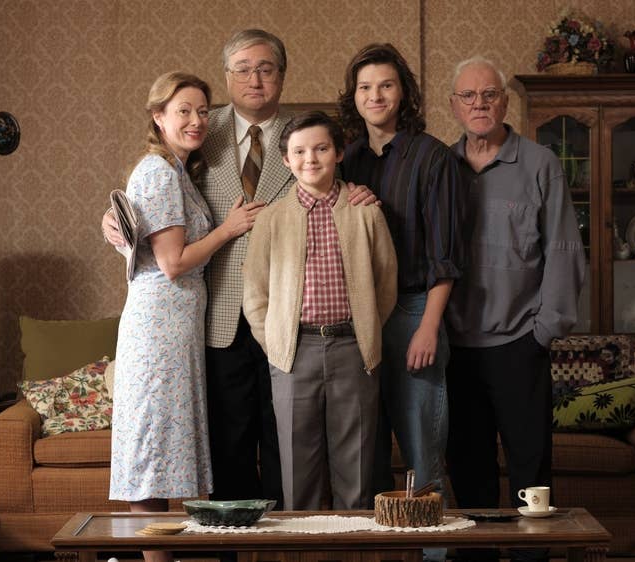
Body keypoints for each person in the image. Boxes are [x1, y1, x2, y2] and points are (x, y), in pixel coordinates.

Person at [102, 29, 375, 507]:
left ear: (282, 77)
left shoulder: (303, 135)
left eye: (266, 69)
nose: (255, 79)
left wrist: (358, 193)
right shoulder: (201, 131)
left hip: (284, 315)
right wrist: (112, 221)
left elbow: (330, 184)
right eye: (243, 69)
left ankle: (277, 549)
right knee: (229, 446)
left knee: (283, 445)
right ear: (227, 77)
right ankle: (232, 548)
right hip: (217, 320)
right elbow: (154, 197)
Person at [109, 71, 263, 562]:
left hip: (175, 326)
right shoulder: (157, 171)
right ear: (158, 117)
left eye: (202, 111)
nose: (195, 120)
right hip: (159, 325)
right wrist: (230, 228)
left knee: (163, 449)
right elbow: (173, 263)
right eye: (183, 111)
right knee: (152, 452)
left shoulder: (177, 170)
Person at [445, 56, 585, 562]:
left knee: (531, 472)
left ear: (505, 101)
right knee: (469, 472)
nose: (479, 104)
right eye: (469, 96)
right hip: (456, 347)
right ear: (454, 106)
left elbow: (565, 250)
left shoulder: (540, 163)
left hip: (520, 343)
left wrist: (544, 332)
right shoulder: (443, 166)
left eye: (489, 95)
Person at [243, 111, 397, 510]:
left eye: (321, 148)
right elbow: (255, 294)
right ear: (286, 161)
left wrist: (364, 330)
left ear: (339, 153)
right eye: (299, 151)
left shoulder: (366, 211)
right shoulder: (272, 219)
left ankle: (355, 553)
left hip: (353, 348)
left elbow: (385, 283)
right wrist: (276, 343)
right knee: (299, 470)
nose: (310, 158)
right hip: (294, 352)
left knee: (356, 469)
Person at [339, 42, 465, 526]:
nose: (375, 95)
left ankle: (436, 552)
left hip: (415, 311)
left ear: (403, 92)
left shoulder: (432, 157)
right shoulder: (346, 159)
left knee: (423, 451)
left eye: (386, 85)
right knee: (366, 456)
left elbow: (445, 256)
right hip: (361, 317)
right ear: (354, 96)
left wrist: (429, 327)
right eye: (365, 87)